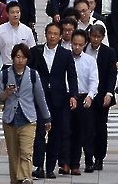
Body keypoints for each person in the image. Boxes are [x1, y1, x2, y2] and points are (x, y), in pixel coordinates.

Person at [0, 44, 51, 184]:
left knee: (26, 152)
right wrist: (6, 93)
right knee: (13, 155)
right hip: (10, 120)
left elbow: (40, 97)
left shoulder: (33, 74)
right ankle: (16, 180)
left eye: (23, 57)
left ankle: (26, 178)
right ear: (13, 58)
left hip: (28, 118)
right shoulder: (4, 74)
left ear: (27, 59)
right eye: (18, 57)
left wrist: (47, 117)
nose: (20, 60)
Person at [28, 23, 78, 179]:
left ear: (60, 36)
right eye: (50, 33)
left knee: (56, 133)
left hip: (59, 98)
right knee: (40, 132)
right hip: (40, 96)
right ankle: (38, 166)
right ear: (45, 34)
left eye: (56, 34)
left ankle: (50, 167)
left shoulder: (65, 54)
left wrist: (73, 95)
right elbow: (28, 73)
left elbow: (72, 76)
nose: (52, 36)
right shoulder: (35, 52)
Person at [83, 24, 117, 170]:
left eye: (98, 37)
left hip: (102, 95)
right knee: (88, 127)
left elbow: (112, 75)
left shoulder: (109, 52)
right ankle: (89, 157)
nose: (95, 39)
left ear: (103, 38)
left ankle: (99, 157)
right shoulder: (83, 49)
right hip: (86, 95)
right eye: (93, 36)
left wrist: (109, 93)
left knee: (101, 128)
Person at [69, 29, 99, 174]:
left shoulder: (89, 60)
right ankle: (73, 163)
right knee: (72, 131)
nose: (77, 47)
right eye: (74, 44)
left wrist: (90, 96)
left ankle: (89, 161)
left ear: (84, 44)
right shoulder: (65, 58)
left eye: (80, 45)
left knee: (87, 131)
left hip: (84, 97)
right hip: (69, 97)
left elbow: (94, 81)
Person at [0, 1, 36, 68]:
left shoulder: (27, 30)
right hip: (7, 65)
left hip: (23, 66)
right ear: (7, 14)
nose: (15, 15)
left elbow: (33, 49)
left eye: (17, 12)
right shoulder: (0, 29)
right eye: (12, 12)